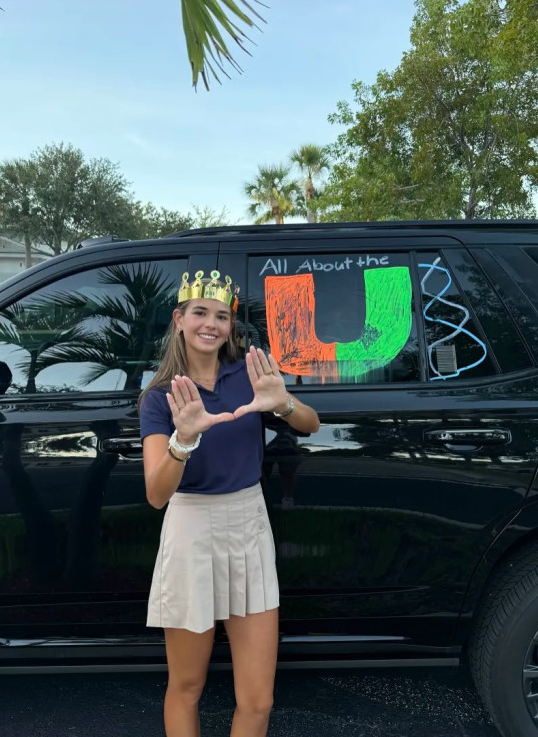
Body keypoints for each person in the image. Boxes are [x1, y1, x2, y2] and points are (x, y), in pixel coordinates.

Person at [138, 270, 320, 737]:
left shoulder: (249, 376)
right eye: (200, 313)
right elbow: (157, 494)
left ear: (230, 326)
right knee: (187, 686)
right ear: (179, 319)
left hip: (247, 523)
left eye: (222, 316)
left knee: (258, 699)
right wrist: (184, 439)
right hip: (191, 529)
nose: (211, 324)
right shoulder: (160, 397)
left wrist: (282, 403)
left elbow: (311, 424)